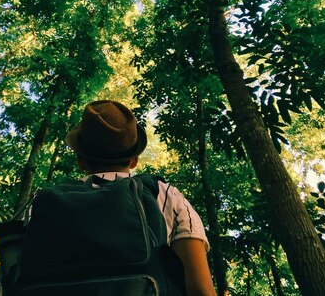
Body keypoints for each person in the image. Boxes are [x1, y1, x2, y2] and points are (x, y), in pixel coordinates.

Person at [65, 99, 217, 296]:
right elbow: (202, 290)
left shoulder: (43, 204)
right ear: (134, 160)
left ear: (81, 161)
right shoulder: (164, 194)